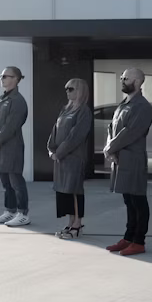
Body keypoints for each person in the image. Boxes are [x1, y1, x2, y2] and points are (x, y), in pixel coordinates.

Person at [103, 68, 152, 257]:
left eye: (126, 78)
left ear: (139, 82)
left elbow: (131, 131)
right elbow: (112, 127)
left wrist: (111, 148)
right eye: (121, 77)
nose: (122, 80)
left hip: (133, 159)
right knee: (128, 199)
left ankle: (139, 241)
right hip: (120, 158)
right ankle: (128, 237)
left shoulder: (141, 106)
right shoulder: (124, 104)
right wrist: (110, 146)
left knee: (138, 199)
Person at [47, 77, 92, 239]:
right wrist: (51, 149)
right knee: (64, 191)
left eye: (71, 88)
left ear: (80, 90)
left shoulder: (84, 111)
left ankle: (77, 225)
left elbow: (76, 136)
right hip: (60, 159)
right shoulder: (65, 109)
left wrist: (59, 153)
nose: (67, 91)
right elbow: (54, 131)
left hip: (73, 158)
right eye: (66, 88)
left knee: (74, 191)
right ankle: (70, 222)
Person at [0, 66, 30, 227]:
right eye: (1, 76)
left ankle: (23, 213)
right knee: (6, 182)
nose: (2, 78)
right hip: (0, 148)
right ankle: (10, 210)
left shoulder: (18, 100)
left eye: (6, 76)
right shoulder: (2, 99)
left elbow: (11, 126)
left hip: (11, 147)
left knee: (16, 181)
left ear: (16, 79)